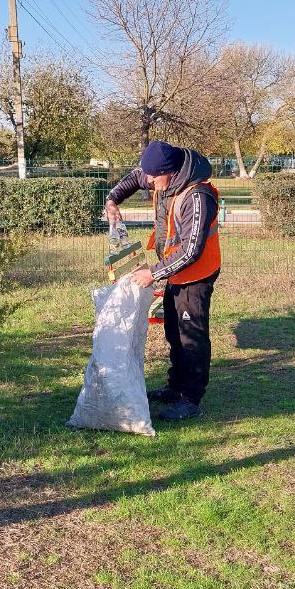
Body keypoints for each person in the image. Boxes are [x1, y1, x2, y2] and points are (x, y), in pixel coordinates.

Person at [104, 140, 221, 421]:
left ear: (171, 171)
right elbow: (135, 177)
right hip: (174, 271)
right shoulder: (164, 173)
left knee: (190, 335)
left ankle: (191, 398)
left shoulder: (197, 197)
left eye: (155, 178)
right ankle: (175, 387)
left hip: (195, 274)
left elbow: (192, 250)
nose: (151, 183)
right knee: (173, 329)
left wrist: (153, 273)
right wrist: (112, 199)